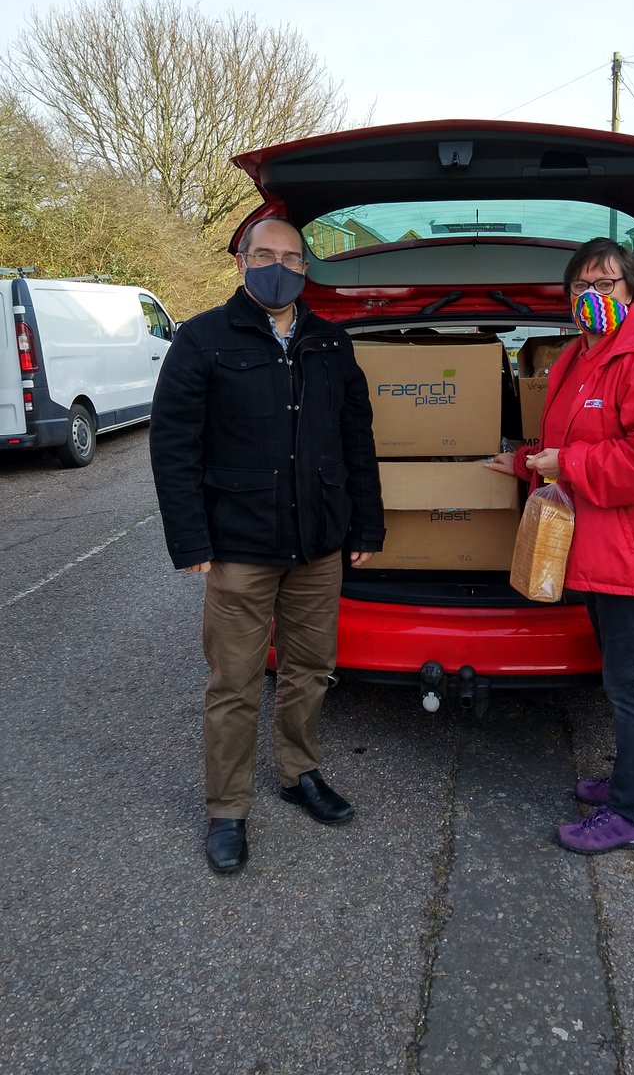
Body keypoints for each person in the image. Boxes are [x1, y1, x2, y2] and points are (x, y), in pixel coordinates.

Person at [149, 217, 384, 875]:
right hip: (238, 547)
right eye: (263, 255)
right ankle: (227, 808)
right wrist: (190, 538)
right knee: (235, 683)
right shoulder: (201, 340)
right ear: (242, 264)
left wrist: (365, 526)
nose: (276, 265)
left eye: (289, 257)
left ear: (305, 270)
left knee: (310, 669)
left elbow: (356, 441)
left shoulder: (333, 345)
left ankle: (298, 772)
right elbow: (173, 447)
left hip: (318, 545)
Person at [487, 238, 634, 855]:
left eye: (605, 284)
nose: (592, 296)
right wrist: (526, 462)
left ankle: (632, 814)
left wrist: (568, 463)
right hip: (605, 548)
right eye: (581, 286)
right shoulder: (579, 359)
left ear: (632, 291)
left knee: (630, 685)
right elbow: (566, 442)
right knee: (633, 681)